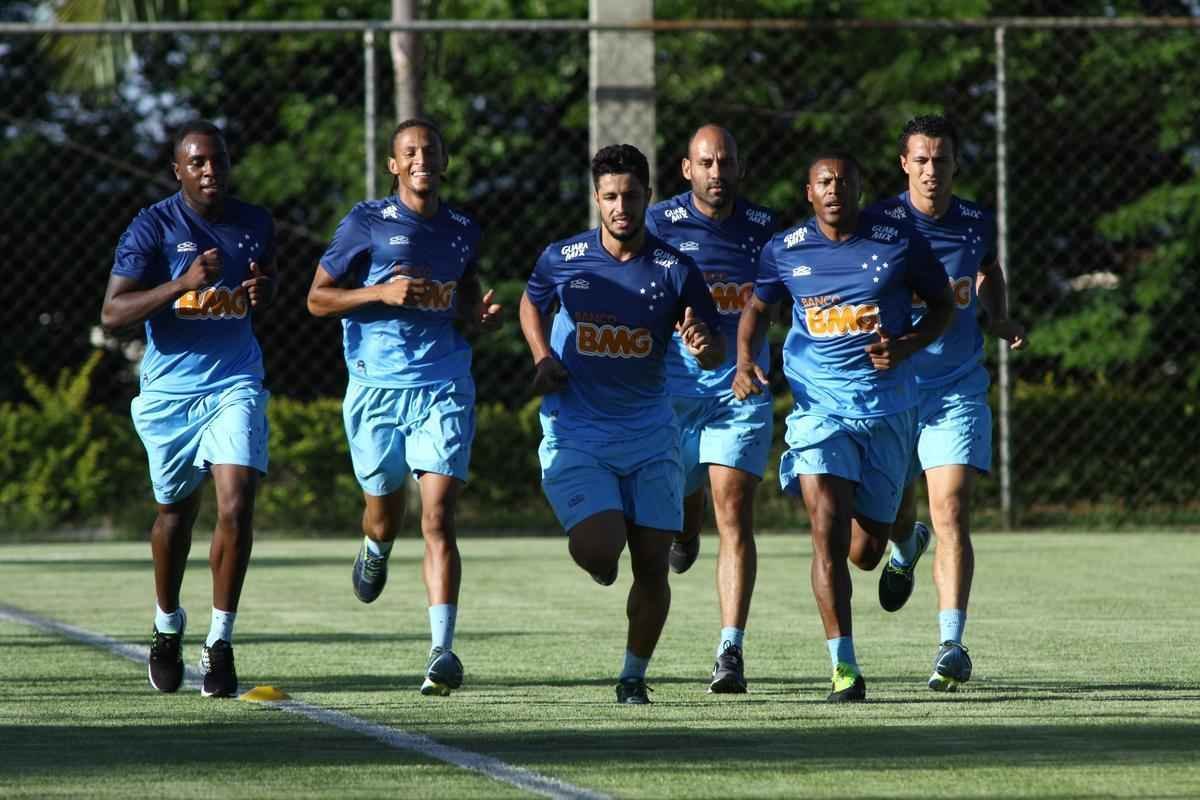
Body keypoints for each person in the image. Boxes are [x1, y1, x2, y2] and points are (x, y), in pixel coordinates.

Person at [733, 153, 954, 702]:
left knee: (864, 551)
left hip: (886, 409)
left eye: (845, 182)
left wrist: (905, 345)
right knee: (826, 532)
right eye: (824, 182)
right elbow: (756, 309)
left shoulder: (897, 241)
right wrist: (744, 361)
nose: (835, 190)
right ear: (809, 192)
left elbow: (945, 306)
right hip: (818, 413)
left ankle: (907, 539)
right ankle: (845, 668)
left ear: (859, 189)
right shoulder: (784, 250)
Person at [519, 143, 723, 705]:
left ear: (647, 197)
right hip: (579, 432)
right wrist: (542, 356)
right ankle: (601, 558)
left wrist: (704, 348)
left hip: (651, 434)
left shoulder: (676, 270)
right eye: (609, 196)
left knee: (653, 565)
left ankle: (632, 676)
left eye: (630, 195)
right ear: (596, 199)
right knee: (600, 549)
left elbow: (711, 345)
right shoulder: (564, 258)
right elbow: (530, 301)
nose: (620, 206)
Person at [306, 119, 502, 697]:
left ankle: (442, 651)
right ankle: (375, 547)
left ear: (444, 162)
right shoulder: (365, 222)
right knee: (384, 513)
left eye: (431, 151)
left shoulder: (463, 229)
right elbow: (317, 299)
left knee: (438, 515)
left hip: (443, 382)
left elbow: (465, 294)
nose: (421, 160)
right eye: (410, 152)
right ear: (394, 165)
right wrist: (378, 292)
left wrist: (477, 318)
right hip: (375, 389)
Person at [101, 120, 277, 698]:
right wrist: (179, 284)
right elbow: (113, 313)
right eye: (197, 162)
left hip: (235, 382)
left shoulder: (254, 222)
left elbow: (260, 286)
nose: (209, 171)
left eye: (218, 161)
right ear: (177, 169)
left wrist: (261, 293)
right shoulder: (153, 226)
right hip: (170, 392)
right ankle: (167, 624)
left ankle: (220, 642)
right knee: (175, 518)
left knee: (236, 503)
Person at [869, 115, 1027, 692]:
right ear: (904, 164)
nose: (932, 170)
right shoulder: (879, 223)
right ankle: (904, 545)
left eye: (941, 160)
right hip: (890, 389)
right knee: (882, 525)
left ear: (955, 164)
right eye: (922, 159)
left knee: (953, 509)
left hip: (957, 386)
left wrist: (999, 314)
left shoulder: (975, 222)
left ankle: (951, 644)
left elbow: (988, 272)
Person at [643, 124, 776, 693]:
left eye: (726, 162)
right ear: (686, 169)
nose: (717, 173)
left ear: (739, 168)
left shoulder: (767, 232)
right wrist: (680, 322)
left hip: (739, 389)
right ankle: (684, 526)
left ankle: (730, 650)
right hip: (673, 391)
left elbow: (796, 293)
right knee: (680, 508)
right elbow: (636, 288)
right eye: (706, 163)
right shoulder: (657, 225)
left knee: (735, 508)